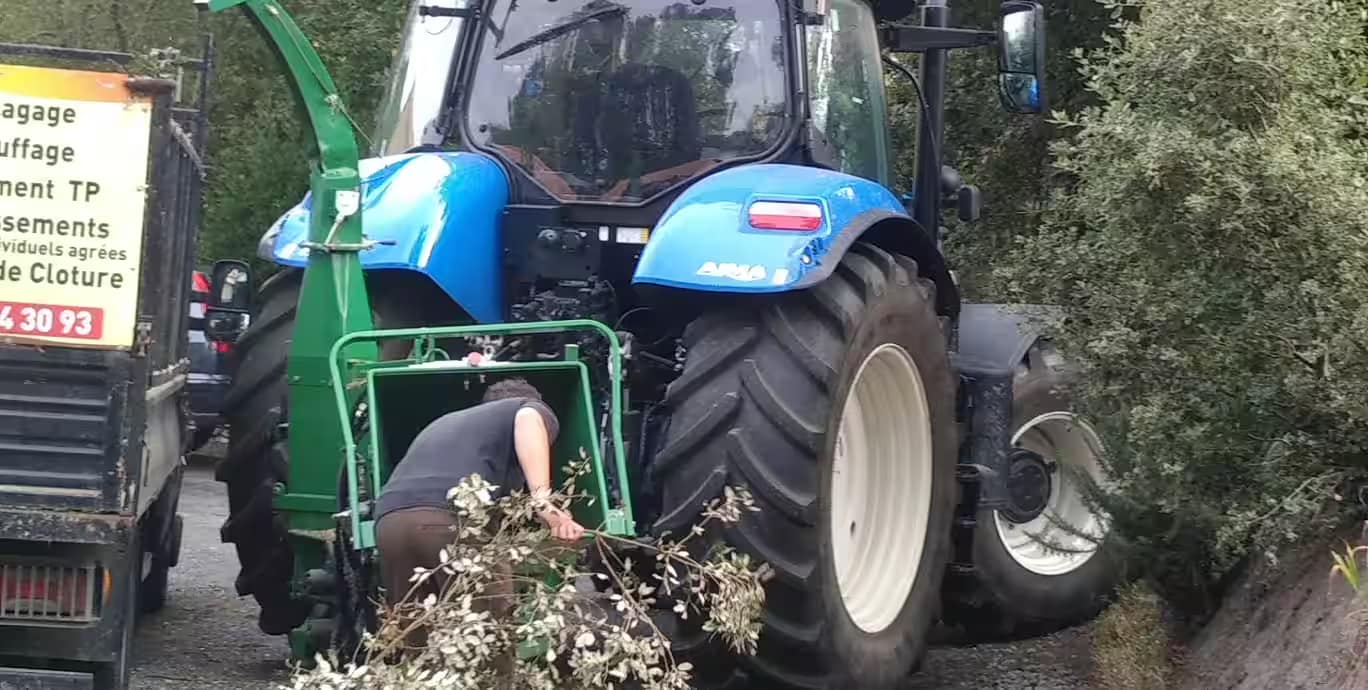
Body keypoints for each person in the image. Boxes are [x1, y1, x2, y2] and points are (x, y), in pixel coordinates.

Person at [373, 377, 587, 648]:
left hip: (390, 522)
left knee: (420, 640)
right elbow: (529, 417)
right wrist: (543, 503)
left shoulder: (447, 424)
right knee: (489, 637)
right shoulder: (527, 409)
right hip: (445, 517)